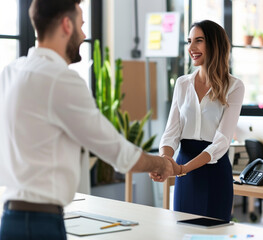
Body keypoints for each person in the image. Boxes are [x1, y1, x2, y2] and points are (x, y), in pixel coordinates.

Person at [0, 0, 173, 239]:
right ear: (66, 25)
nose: (84, 35)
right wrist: (160, 164)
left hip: (10, 220)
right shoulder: (61, 79)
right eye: (82, 25)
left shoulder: (10, 72)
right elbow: (120, 154)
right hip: (40, 224)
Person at [151, 20, 245, 221]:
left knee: (212, 234)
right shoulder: (182, 83)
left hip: (214, 172)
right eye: (189, 41)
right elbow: (171, 133)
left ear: (214, 44)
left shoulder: (235, 87)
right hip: (184, 171)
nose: (191, 48)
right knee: (182, 231)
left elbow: (221, 142)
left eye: (199, 41)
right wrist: (166, 162)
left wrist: (182, 169)